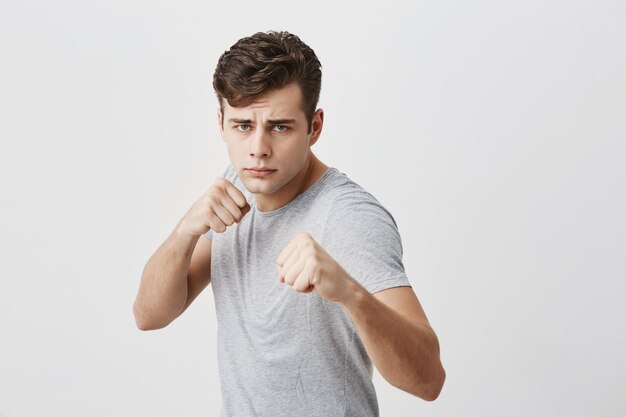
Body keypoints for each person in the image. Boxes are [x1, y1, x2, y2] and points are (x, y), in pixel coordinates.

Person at [133, 30, 445, 417]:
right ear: (221, 123)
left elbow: (429, 380)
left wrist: (349, 292)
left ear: (314, 126)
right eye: (243, 126)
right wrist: (185, 231)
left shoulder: (349, 217)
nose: (259, 148)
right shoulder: (239, 181)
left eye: (280, 127)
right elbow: (149, 316)